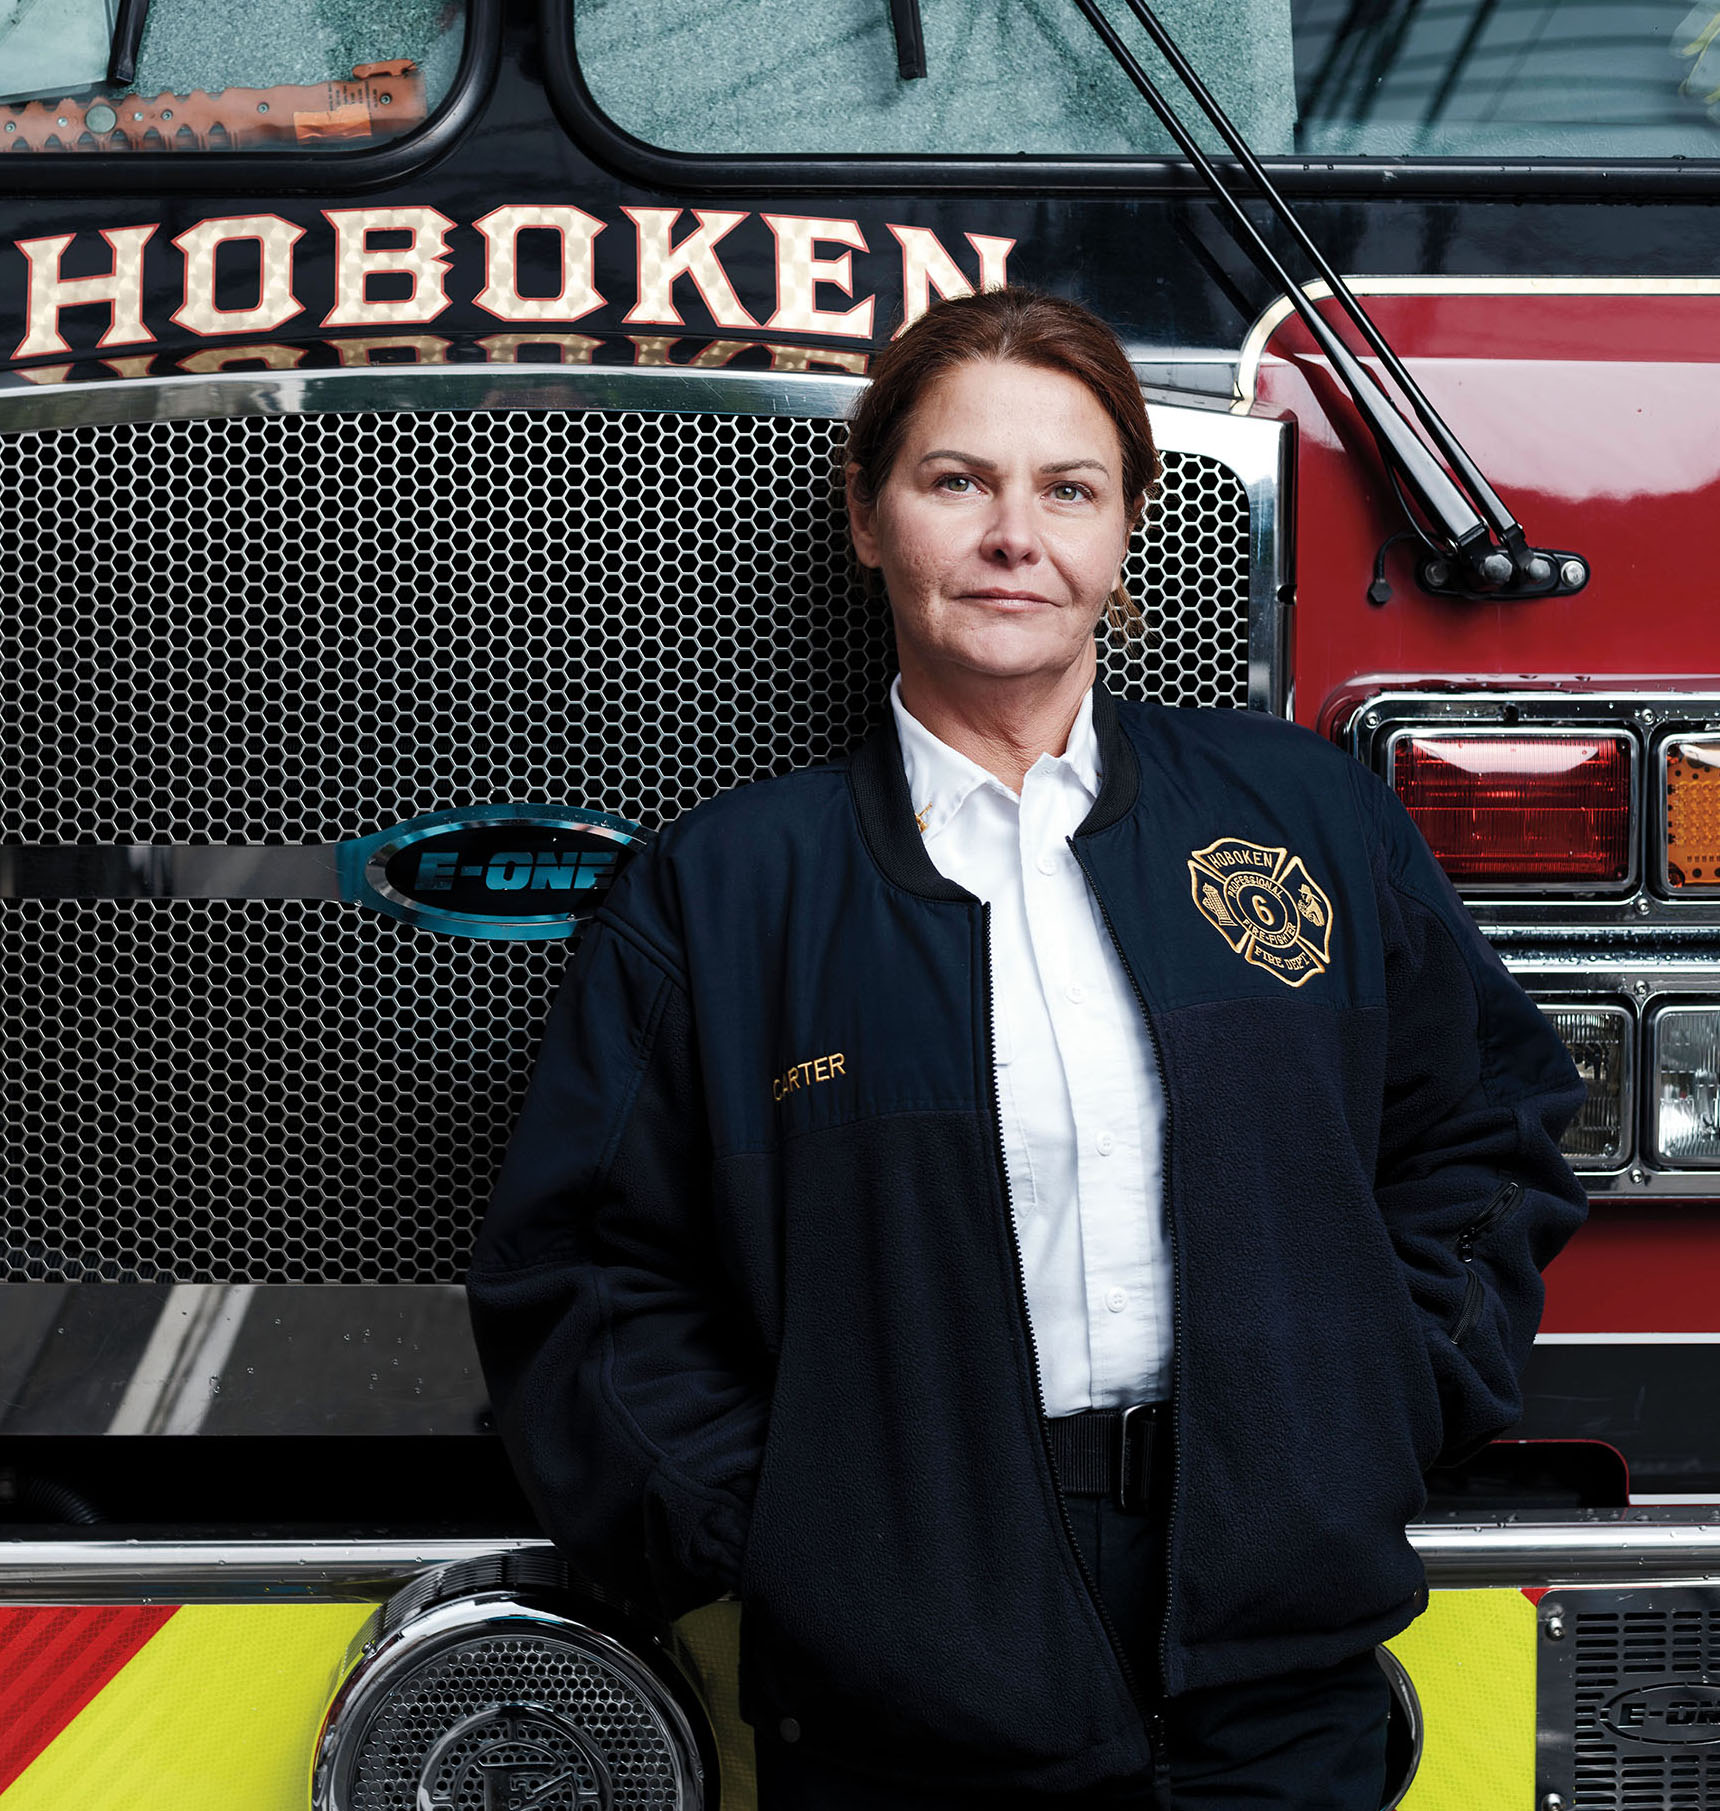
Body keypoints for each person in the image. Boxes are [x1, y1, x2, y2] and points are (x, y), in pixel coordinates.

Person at [466, 286, 1589, 1810]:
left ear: (1125, 529)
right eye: (957, 482)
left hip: (1275, 1663)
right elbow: (587, 1272)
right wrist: (796, 1541)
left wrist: (1369, 1411)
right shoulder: (726, 889)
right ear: (869, 523)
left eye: (1069, 488)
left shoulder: (1302, 817)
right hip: (904, 1695)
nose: (1016, 536)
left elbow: (1487, 1125)